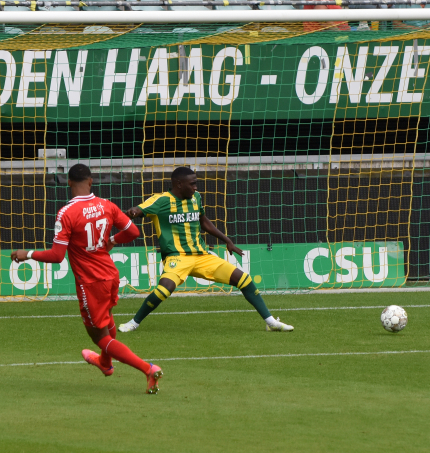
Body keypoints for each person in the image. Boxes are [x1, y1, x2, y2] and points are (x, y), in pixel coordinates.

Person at [10, 164, 163, 394]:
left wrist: (27, 254)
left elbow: (56, 255)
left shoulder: (66, 213)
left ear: (69, 183)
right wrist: (112, 241)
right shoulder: (107, 205)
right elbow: (133, 233)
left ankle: (147, 368)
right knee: (107, 319)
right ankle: (105, 363)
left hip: (90, 282)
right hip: (111, 275)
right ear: (91, 181)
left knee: (98, 336)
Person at [117, 167, 293, 333]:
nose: (195, 187)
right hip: (177, 257)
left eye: (196, 183)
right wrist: (133, 211)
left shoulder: (196, 198)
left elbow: (203, 221)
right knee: (164, 290)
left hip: (202, 256)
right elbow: (139, 209)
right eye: (192, 183)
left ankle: (271, 323)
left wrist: (227, 240)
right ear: (179, 184)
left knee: (244, 279)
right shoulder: (161, 200)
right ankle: (133, 323)